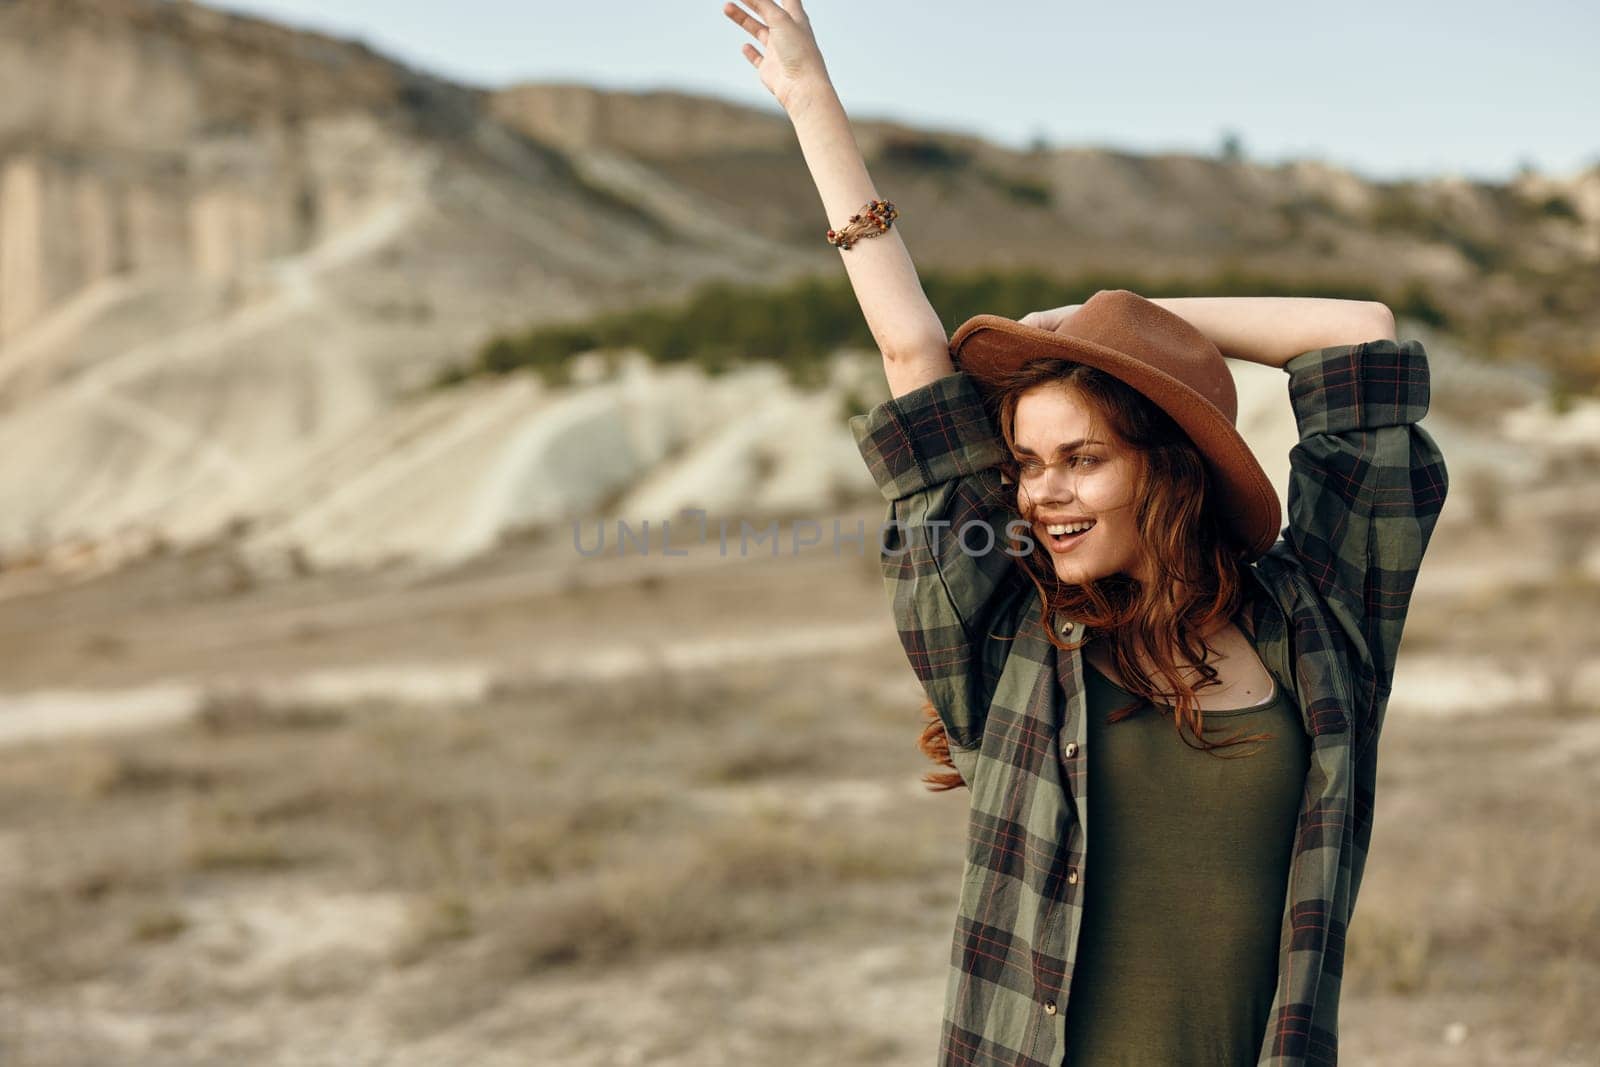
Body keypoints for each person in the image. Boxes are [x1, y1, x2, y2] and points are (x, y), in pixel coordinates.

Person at [722, 4, 1449, 1066]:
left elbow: (1360, 334)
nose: (1039, 494)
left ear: (1169, 466)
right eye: (1023, 463)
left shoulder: (1321, 624)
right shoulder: (1010, 640)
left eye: (1081, 457)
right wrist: (812, 101)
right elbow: (912, 356)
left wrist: (1117, 321)